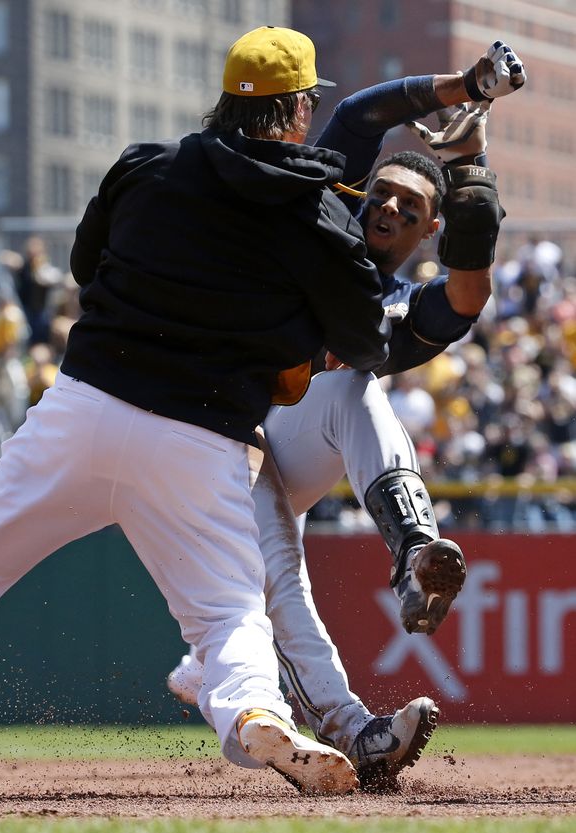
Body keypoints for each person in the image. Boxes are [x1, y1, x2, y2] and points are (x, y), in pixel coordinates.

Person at [0, 27, 390, 797]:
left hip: (82, 410)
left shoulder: (150, 166)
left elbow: (85, 264)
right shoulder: (314, 214)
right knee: (226, 613)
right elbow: (365, 337)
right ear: (301, 112)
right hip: (201, 437)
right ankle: (252, 710)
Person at [167, 41, 525, 788]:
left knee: (352, 386)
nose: (387, 206)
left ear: (430, 232)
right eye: (381, 193)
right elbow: (361, 114)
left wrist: (469, 167)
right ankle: (348, 726)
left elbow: (467, 295)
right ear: (357, 195)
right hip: (200, 433)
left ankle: (413, 555)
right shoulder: (316, 210)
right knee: (278, 575)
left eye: (410, 207)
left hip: (276, 444)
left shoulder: (402, 306)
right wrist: (466, 86)